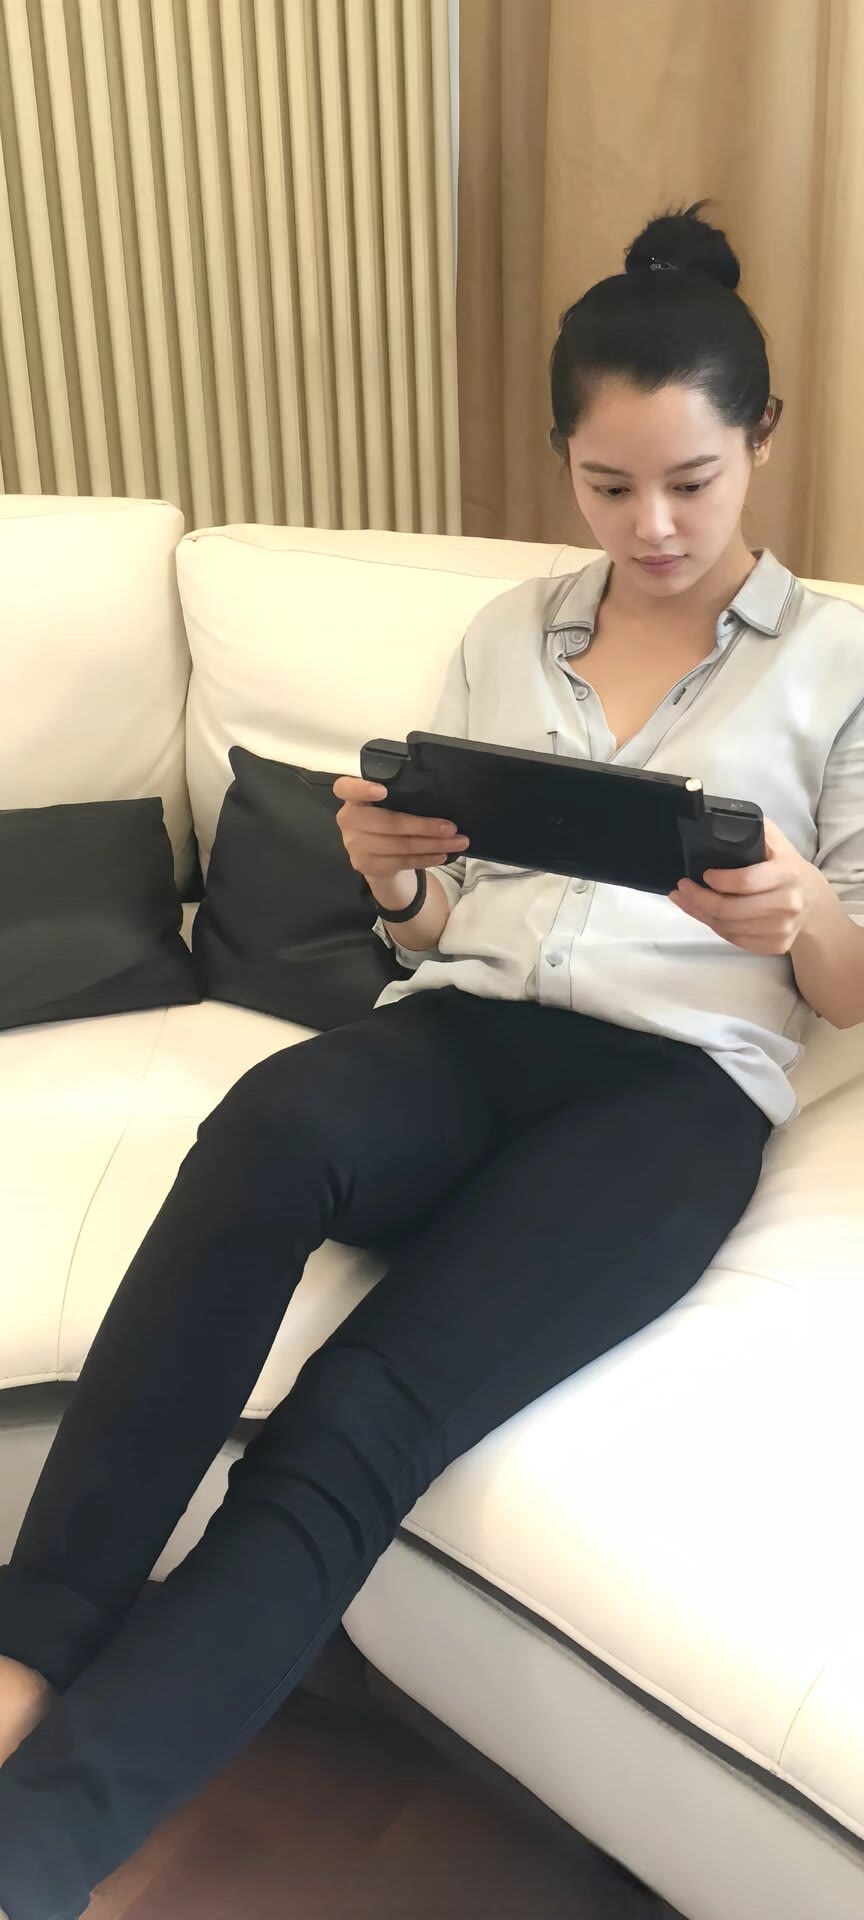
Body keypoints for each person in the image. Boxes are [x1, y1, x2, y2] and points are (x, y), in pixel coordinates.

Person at [1, 202, 863, 1920]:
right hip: (465, 1030)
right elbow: (437, 921)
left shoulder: (843, 662)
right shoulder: (507, 634)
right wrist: (393, 879)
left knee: (361, 1414)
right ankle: (28, 1649)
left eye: (692, 481)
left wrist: (803, 914)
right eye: (609, 486)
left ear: (762, 440)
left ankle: (42, 1849)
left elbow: (850, 989)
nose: (653, 525)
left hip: (672, 1097)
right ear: (564, 465)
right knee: (266, 1129)